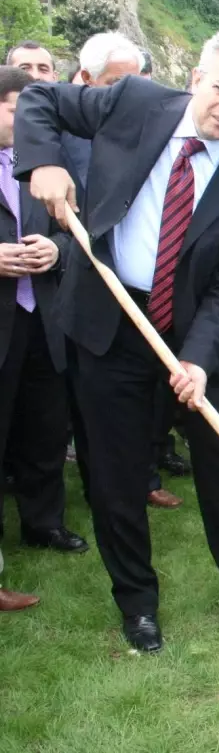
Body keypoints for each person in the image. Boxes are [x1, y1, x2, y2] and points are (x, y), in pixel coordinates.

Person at [18, 30, 219, 653]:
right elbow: (38, 102)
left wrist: (199, 359)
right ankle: (137, 602)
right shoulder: (130, 102)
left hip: (191, 335)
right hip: (111, 322)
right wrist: (44, 163)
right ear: (195, 79)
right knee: (116, 472)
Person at [73, 31, 189, 509]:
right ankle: (101, 487)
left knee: (148, 395)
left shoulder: (149, 131)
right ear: (86, 81)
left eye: (139, 80)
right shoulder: (66, 135)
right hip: (81, 292)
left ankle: (144, 474)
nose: (130, 94)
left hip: (144, 291)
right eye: (117, 83)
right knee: (92, 411)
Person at [0, 65, 89, 555]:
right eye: (15, 107)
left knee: (46, 427)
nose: (25, 120)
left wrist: (57, 251)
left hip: (43, 320)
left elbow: (79, 232)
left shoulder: (43, 168)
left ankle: (44, 523)